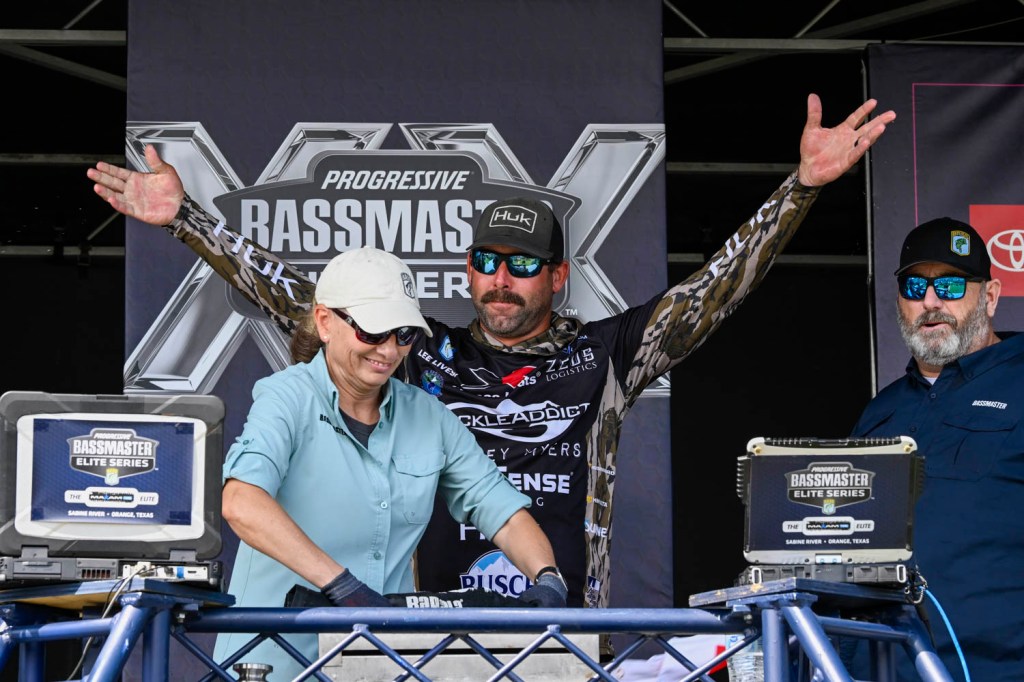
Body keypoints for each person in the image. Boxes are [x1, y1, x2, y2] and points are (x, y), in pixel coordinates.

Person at [88, 93, 895, 614]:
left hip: (557, 620)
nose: (500, 280)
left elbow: (714, 290)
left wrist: (801, 188)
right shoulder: (416, 349)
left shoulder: (610, 353)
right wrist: (188, 220)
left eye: (522, 265)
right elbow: (300, 298)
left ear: (559, 276)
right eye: (485, 262)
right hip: (416, 629)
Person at [211, 246, 567, 679]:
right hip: (271, 662)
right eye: (373, 331)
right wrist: (341, 586)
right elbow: (241, 502)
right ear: (325, 322)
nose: (388, 349)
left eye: (403, 334)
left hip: (378, 665)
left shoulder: (429, 416)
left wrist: (548, 578)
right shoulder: (286, 397)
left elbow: (503, 512)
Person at [847, 217, 1024, 682]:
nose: (930, 301)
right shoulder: (880, 411)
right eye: (914, 286)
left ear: (989, 296)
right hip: (878, 669)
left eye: (949, 285)